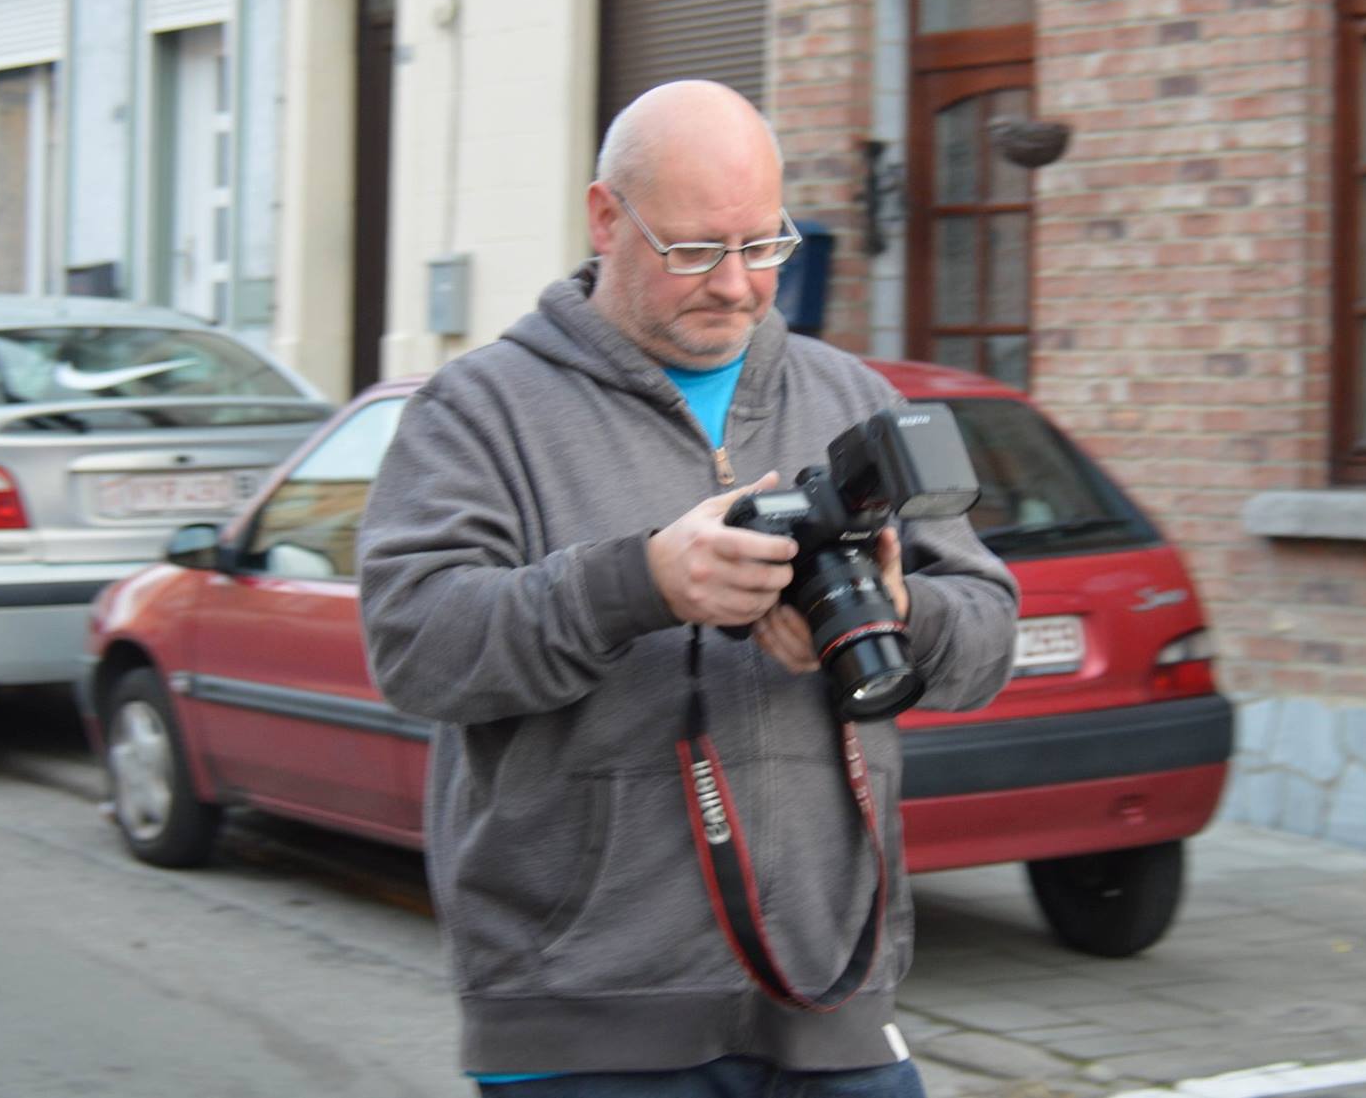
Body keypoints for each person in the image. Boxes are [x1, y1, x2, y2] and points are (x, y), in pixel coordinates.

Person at [357, 80, 1019, 1095]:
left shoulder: (850, 399)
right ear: (605, 217)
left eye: (763, 246)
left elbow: (985, 639)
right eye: (696, 250)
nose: (738, 286)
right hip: (587, 1022)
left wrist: (899, 610)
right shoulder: (480, 410)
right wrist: (641, 582)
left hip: (826, 997)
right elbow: (416, 646)